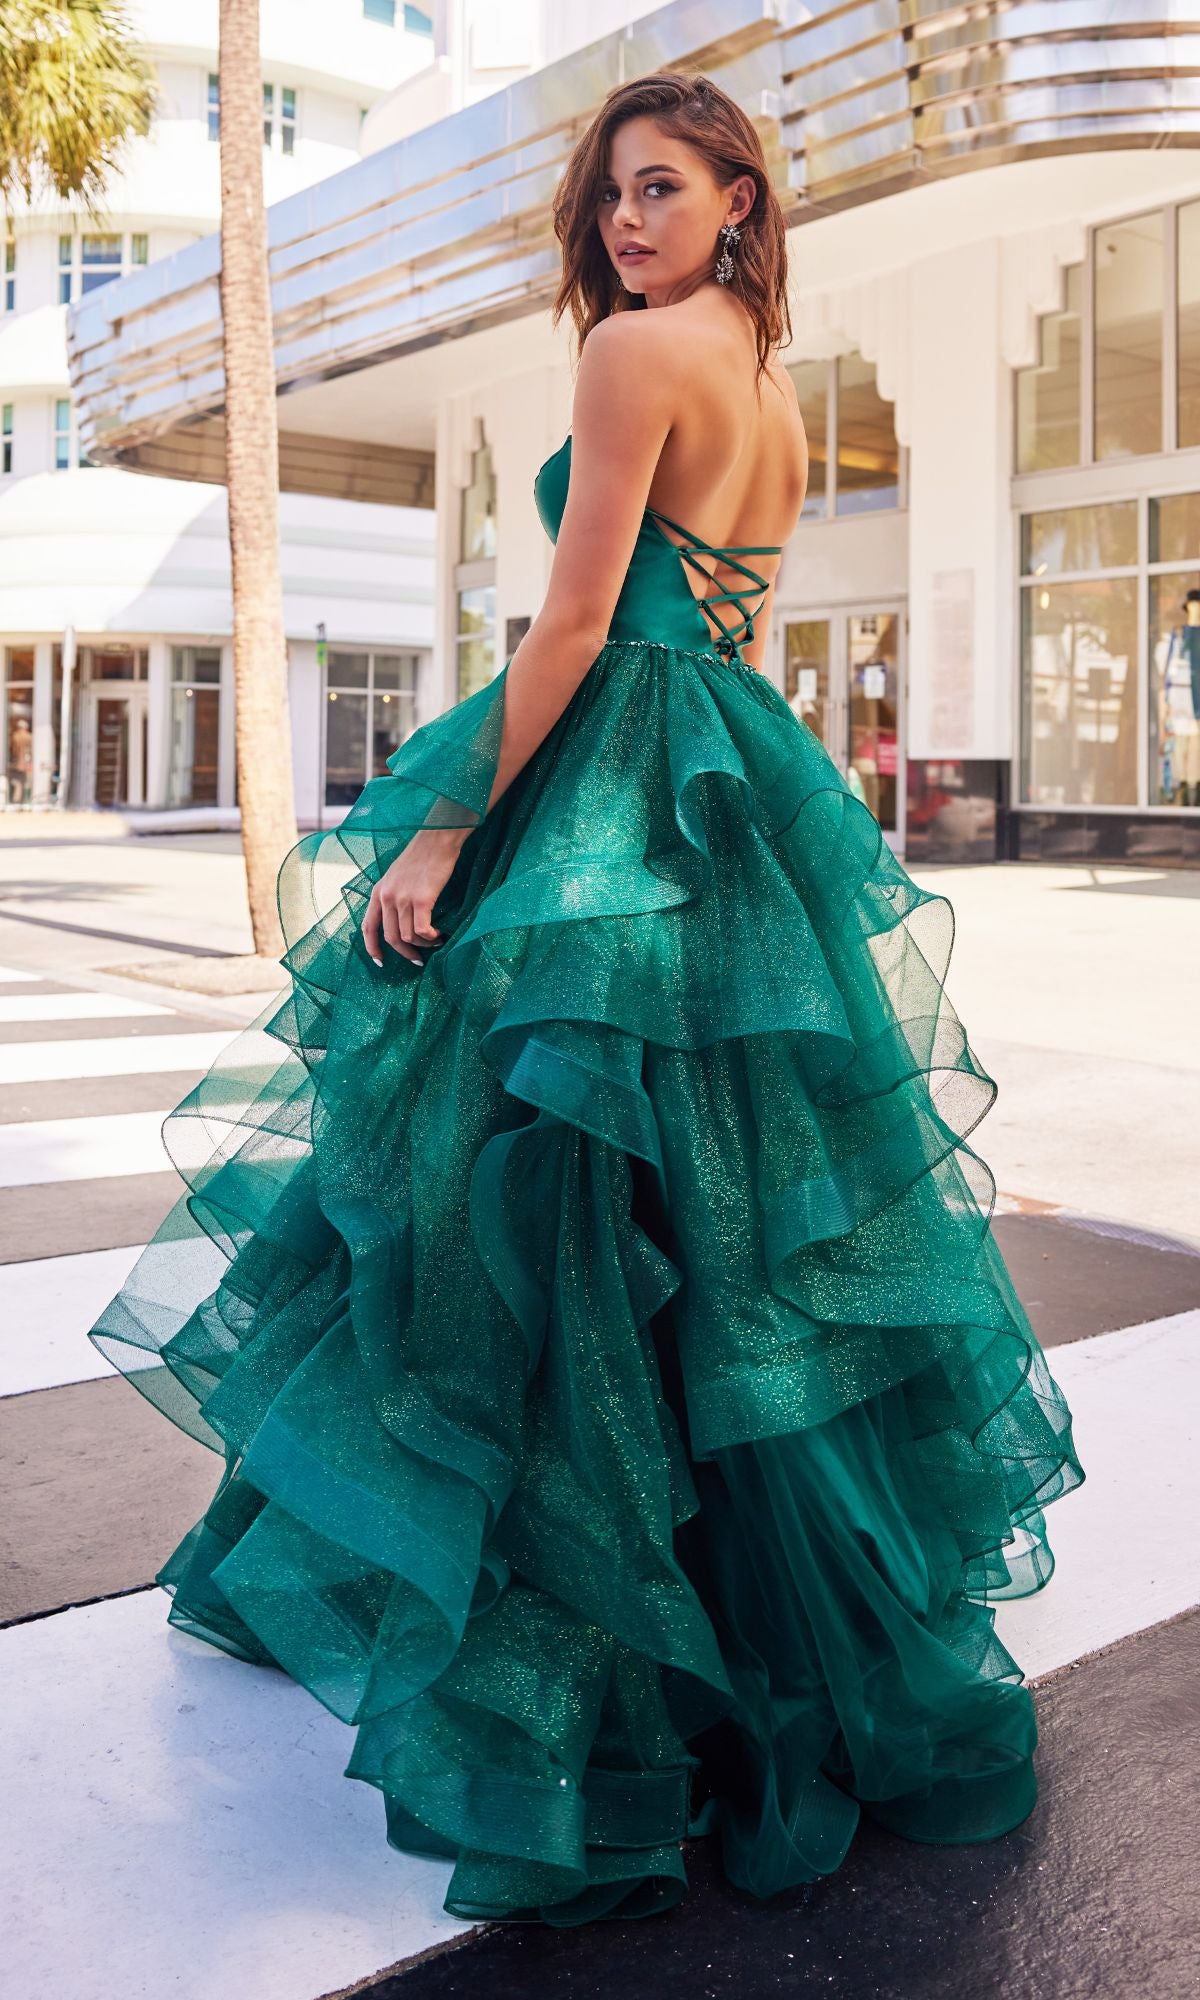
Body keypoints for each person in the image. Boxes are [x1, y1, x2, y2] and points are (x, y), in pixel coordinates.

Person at [87, 70, 1085, 1929]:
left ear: (737, 204)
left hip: (615, 781)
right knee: (716, 1230)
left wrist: (449, 830)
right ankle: (757, 1649)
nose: (626, 223)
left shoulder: (637, 357)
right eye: (612, 193)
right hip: (727, 781)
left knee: (527, 1200)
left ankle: (575, 1682)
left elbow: (567, 622)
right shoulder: (775, 381)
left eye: (662, 189)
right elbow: (739, 623)